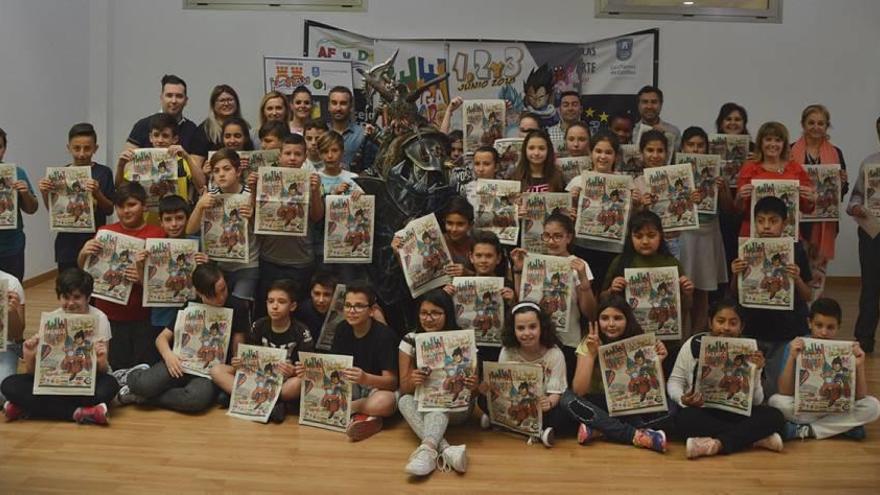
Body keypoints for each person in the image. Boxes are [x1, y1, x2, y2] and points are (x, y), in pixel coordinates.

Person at [120, 263, 250, 412]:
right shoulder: (190, 305)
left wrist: (235, 364)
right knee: (143, 385)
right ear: (199, 293)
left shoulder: (237, 307)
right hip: (180, 363)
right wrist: (169, 356)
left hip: (208, 372)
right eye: (212, 296)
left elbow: (238, 351)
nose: (221, 298)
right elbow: (161, 338)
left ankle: (142, 398)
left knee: (195, 400)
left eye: (223, 290)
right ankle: (133, 378)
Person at [668, 298, 785, 459]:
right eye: (720, 321)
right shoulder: (693, 344)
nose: (726, 328)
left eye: (733, 323)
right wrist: (682, 399)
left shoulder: (750, 350)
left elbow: (757, 401)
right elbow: (675, 381)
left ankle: (716, 444)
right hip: (703, 410)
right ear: (710, 322)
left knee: (775, 417)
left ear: (741, 326)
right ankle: (754, 438)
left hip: (737, 411)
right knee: (683, 420)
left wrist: (757, 371)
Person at [2, 268, 117, 425]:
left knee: (109, 386)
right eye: (65, 297)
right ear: (59, 296)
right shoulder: (52, 319)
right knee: (9, 385)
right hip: (54, 383)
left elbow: (103, 370)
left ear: (88, 297)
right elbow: (33, 373)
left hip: (85, 381)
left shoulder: (100, 318)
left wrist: (101, 359)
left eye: (77, 297)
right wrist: (29, 355)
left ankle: (29, 409)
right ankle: (79, 412)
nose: (70, 303)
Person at [563, 294, 669, 453]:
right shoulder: (589, 341)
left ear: (627, 320)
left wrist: (657, 363)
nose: (611, 324)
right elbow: (579, 391)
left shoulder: (641, 341)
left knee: (672, 409)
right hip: (598, 403)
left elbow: (654, 393)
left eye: (618, 318)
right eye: (605, 318)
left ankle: (599, 428)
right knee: (567, 399)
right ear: (598, 321)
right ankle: (635, 435)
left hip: (631, 404)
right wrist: (591, 355)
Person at [77, 182, 165, 371]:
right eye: (120, 206)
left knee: (142, 367)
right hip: (109, 314)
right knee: (115, 367)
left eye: (131, 204)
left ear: (144, 206)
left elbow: (163, 283)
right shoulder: (105, 232)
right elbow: (85, 270)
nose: (126, 210)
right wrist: (84, 253)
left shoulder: (157, 234)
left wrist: (142, 279)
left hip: (142, 316)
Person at [730, 196, 812, 397]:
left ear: (784, 224)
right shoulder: (746, 249)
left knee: (776, 390)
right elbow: (734, 294)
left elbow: (808, 295)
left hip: (785, 331)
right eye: (760, 220)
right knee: (748, 387)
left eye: (773, 221)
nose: (766, 226)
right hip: (753, 328)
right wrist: (735, 274)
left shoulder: (795, 250)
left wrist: (798, 279)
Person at [769, 298, 880, 440]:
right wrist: (791, 357)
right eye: (819, 325)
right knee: (776, 402)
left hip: (836, 408)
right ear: (809, 323)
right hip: (806, 408)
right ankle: (842, 427)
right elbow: (784, 391)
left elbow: (860, 396)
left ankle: (806, 430)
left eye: (830, 327)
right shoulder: (796, 345)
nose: (824, 332)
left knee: (873, 406)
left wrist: (860, 366)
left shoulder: (848, 350)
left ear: (838, 327)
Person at [297, 285, 397, 441]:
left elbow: (391, 383)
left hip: (375, 388)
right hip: (349, 387)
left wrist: (366, 378)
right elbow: (333, 371)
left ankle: (355, 410)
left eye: (359, 306)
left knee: (386, 402)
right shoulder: (341, 329)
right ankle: (371, 419)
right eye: (348, 305)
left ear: (371, 310)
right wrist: (309, 372)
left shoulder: (385, 335)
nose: (352, 311)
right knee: (320, 392)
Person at [211, 279, 311, 423]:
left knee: (300, 382)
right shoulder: (258, 325)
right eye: (270, 301)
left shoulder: (302, 331)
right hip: (256, 378)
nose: (275, 306)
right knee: (217, 370)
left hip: (284, 382)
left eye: (281, 302)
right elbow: (248, 358)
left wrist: (293, 370)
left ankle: (248, 398)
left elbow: (306, 370)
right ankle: (272, 404)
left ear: (292, 306)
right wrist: (238, 363)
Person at [511, 213, 596, 381]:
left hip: (567, 340)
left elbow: (590, 313)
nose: (551, 241)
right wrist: (519, 270)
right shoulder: (532, 261)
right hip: (537, 341)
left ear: (568, 237)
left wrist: (584, 282)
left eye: (558, 236)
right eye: (547, 236)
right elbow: (522, 303)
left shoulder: (578, 264)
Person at [397, 290, 473, 476]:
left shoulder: (462, 338)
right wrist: (414, 380)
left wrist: (473, 384)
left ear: (447, 314)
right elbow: (404, 387)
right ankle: (445, 450)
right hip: (424, 402)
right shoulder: (410, 339)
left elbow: (474, 390)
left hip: (457, 407)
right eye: (424, 313)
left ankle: (427, 453)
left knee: (437, 404)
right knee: (402, 400)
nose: (428, 318)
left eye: (436, 313)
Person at [255, 134, 324, 318]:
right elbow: (255, 216)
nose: (292, 158)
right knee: (268, 311)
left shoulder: (313, 180)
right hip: (270, 257)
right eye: (287, 153)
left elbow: (317, 217)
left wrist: (316, 191)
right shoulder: (265, 179)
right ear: (279, 156)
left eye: (297, 154)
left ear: (305, 157)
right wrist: (254, 188)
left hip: (300, 261)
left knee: (298, 311)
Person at [187, 149, 260, 310]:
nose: (221, 174)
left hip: (247, 265)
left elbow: (264, 232)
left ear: (238, 171)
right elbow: (190, 229)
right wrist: (199, 206)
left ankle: (241, 336)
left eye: (227, 169)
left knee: (241, 307)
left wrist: (253, 216)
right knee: (220, 308)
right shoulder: (210, 195)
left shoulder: (250, 194)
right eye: (216, 171)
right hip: (218, 266)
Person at [676, 126, 732, 334]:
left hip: (709, 233)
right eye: (691, 144)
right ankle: (681, 338)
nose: (696, 149)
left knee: (703, 293)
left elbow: (727, 209)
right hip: (685, 234)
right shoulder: (674, 172)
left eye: (700, 145)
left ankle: (697, 336)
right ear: (682, 146)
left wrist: (723, 190)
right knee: (683, 290)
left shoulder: (715, 172)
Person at [37, 123, 115, 272]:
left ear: (95, 148)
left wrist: (97, 193)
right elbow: (54, 212)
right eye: (76, 148)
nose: (81, 154)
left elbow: (109, 210)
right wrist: (44, 192)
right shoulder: (61, 175)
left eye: (87, 148)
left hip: (95, 241)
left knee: (93, 289)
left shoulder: (104, 172)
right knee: (69, 288)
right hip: (66, 244)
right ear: (68, 148)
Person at [790, 104, 849, 301]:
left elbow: (842, 192)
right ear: (803, 124)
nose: (816, 127)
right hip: (797, 223)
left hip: (823, 225)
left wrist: (842, 182)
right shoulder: (789, 151)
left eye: (821, 123)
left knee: (816, 276)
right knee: (796, 272)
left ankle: (813, 317)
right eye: (811, 123)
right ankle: (797, 318)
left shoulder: (836, 153)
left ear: (827, 126)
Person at [566, 131, 630, 291]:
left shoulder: (626, 183)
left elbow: (631, 219)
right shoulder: (578, 181)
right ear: (590, 152)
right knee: (583, 290)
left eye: (608, 152)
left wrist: (636, 202)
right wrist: (571, 201)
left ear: (616, 156)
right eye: (598, 151)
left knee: (606, 292)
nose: (603, 156)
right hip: (582, 246)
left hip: (613, 249)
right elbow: (564, 218)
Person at [117, 112, 206, 224]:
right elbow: (120, 188)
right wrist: (121, 165)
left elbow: (202, 185)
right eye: (156, 135)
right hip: (146, 222)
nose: (160, 140)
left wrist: (187, 157)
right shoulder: (139, 160)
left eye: (165, 135)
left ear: (175, 139)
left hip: (175, 223)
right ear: (150, 137)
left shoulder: (181, 160)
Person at [735, 121, 816, 238]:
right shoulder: (749, 168)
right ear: (760, 142)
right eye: (768, 139)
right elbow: (739, 209)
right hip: (753, 234)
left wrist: (811, 199)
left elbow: (806, 208)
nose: (773, 144)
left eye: (778, 140)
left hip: (787, 235)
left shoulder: (795, 169)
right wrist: (739, 197)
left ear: (784, 144)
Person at [124, 74, 208, 172]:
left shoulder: (192, 129)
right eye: (169, 95)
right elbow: (126, 166)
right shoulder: (142, 125)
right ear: (161, 98)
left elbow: (195, 171)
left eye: (179, 96)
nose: (174, 100)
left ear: (186, 101)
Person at [848, 115, 880, 353]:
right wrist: (855, 207)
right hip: (872, 232)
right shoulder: (869, 164)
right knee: (870, 287)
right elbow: (857, 195)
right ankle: (864, 339)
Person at [714, 102, 753, 292]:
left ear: (744, 123)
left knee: (742, 253)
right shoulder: (711, 146)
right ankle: (724, 296)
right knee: (724, 252)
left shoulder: (754, 148)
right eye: (728, 119)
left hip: (746, 209)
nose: (732, 123)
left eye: (738, 119)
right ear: (720, 123)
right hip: (719, 207)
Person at [0, 127, 39, 280]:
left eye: (0, 147)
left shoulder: (17, 173)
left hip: (12, 246)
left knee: (13, 294)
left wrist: (25, 193)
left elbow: (32, 209)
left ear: (5, 148)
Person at [0, 269, 25, 405]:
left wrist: (12, 313)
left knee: (3, 393)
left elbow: (17, 335)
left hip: (5, 347)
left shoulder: (10, 283)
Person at [293, 271, 339, 343]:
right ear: (311, 292)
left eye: (327, 295)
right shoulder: (301, 311)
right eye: (317, 294)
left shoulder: (343, 312)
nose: (321, 300)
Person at [633, 86, 680, 155]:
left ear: (661, 104)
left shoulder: (673, 132)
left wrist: (666, 135)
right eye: (645, 102)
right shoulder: (631, 131)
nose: (649, 106)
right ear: (638, 105)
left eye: (654, 102)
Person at [326, 86, 364, 169]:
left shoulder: (362, 135)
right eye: (334, 103)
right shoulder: (322, 133)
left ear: (351, 107)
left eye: (343, 103)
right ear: (329, 106)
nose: (338, 108)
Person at [199, 85, 245, 151]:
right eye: (222, 100)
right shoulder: (205, 130)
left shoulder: (244, 125)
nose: (226, 103)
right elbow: (196, 160)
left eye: (230, 100)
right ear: (213, 105)